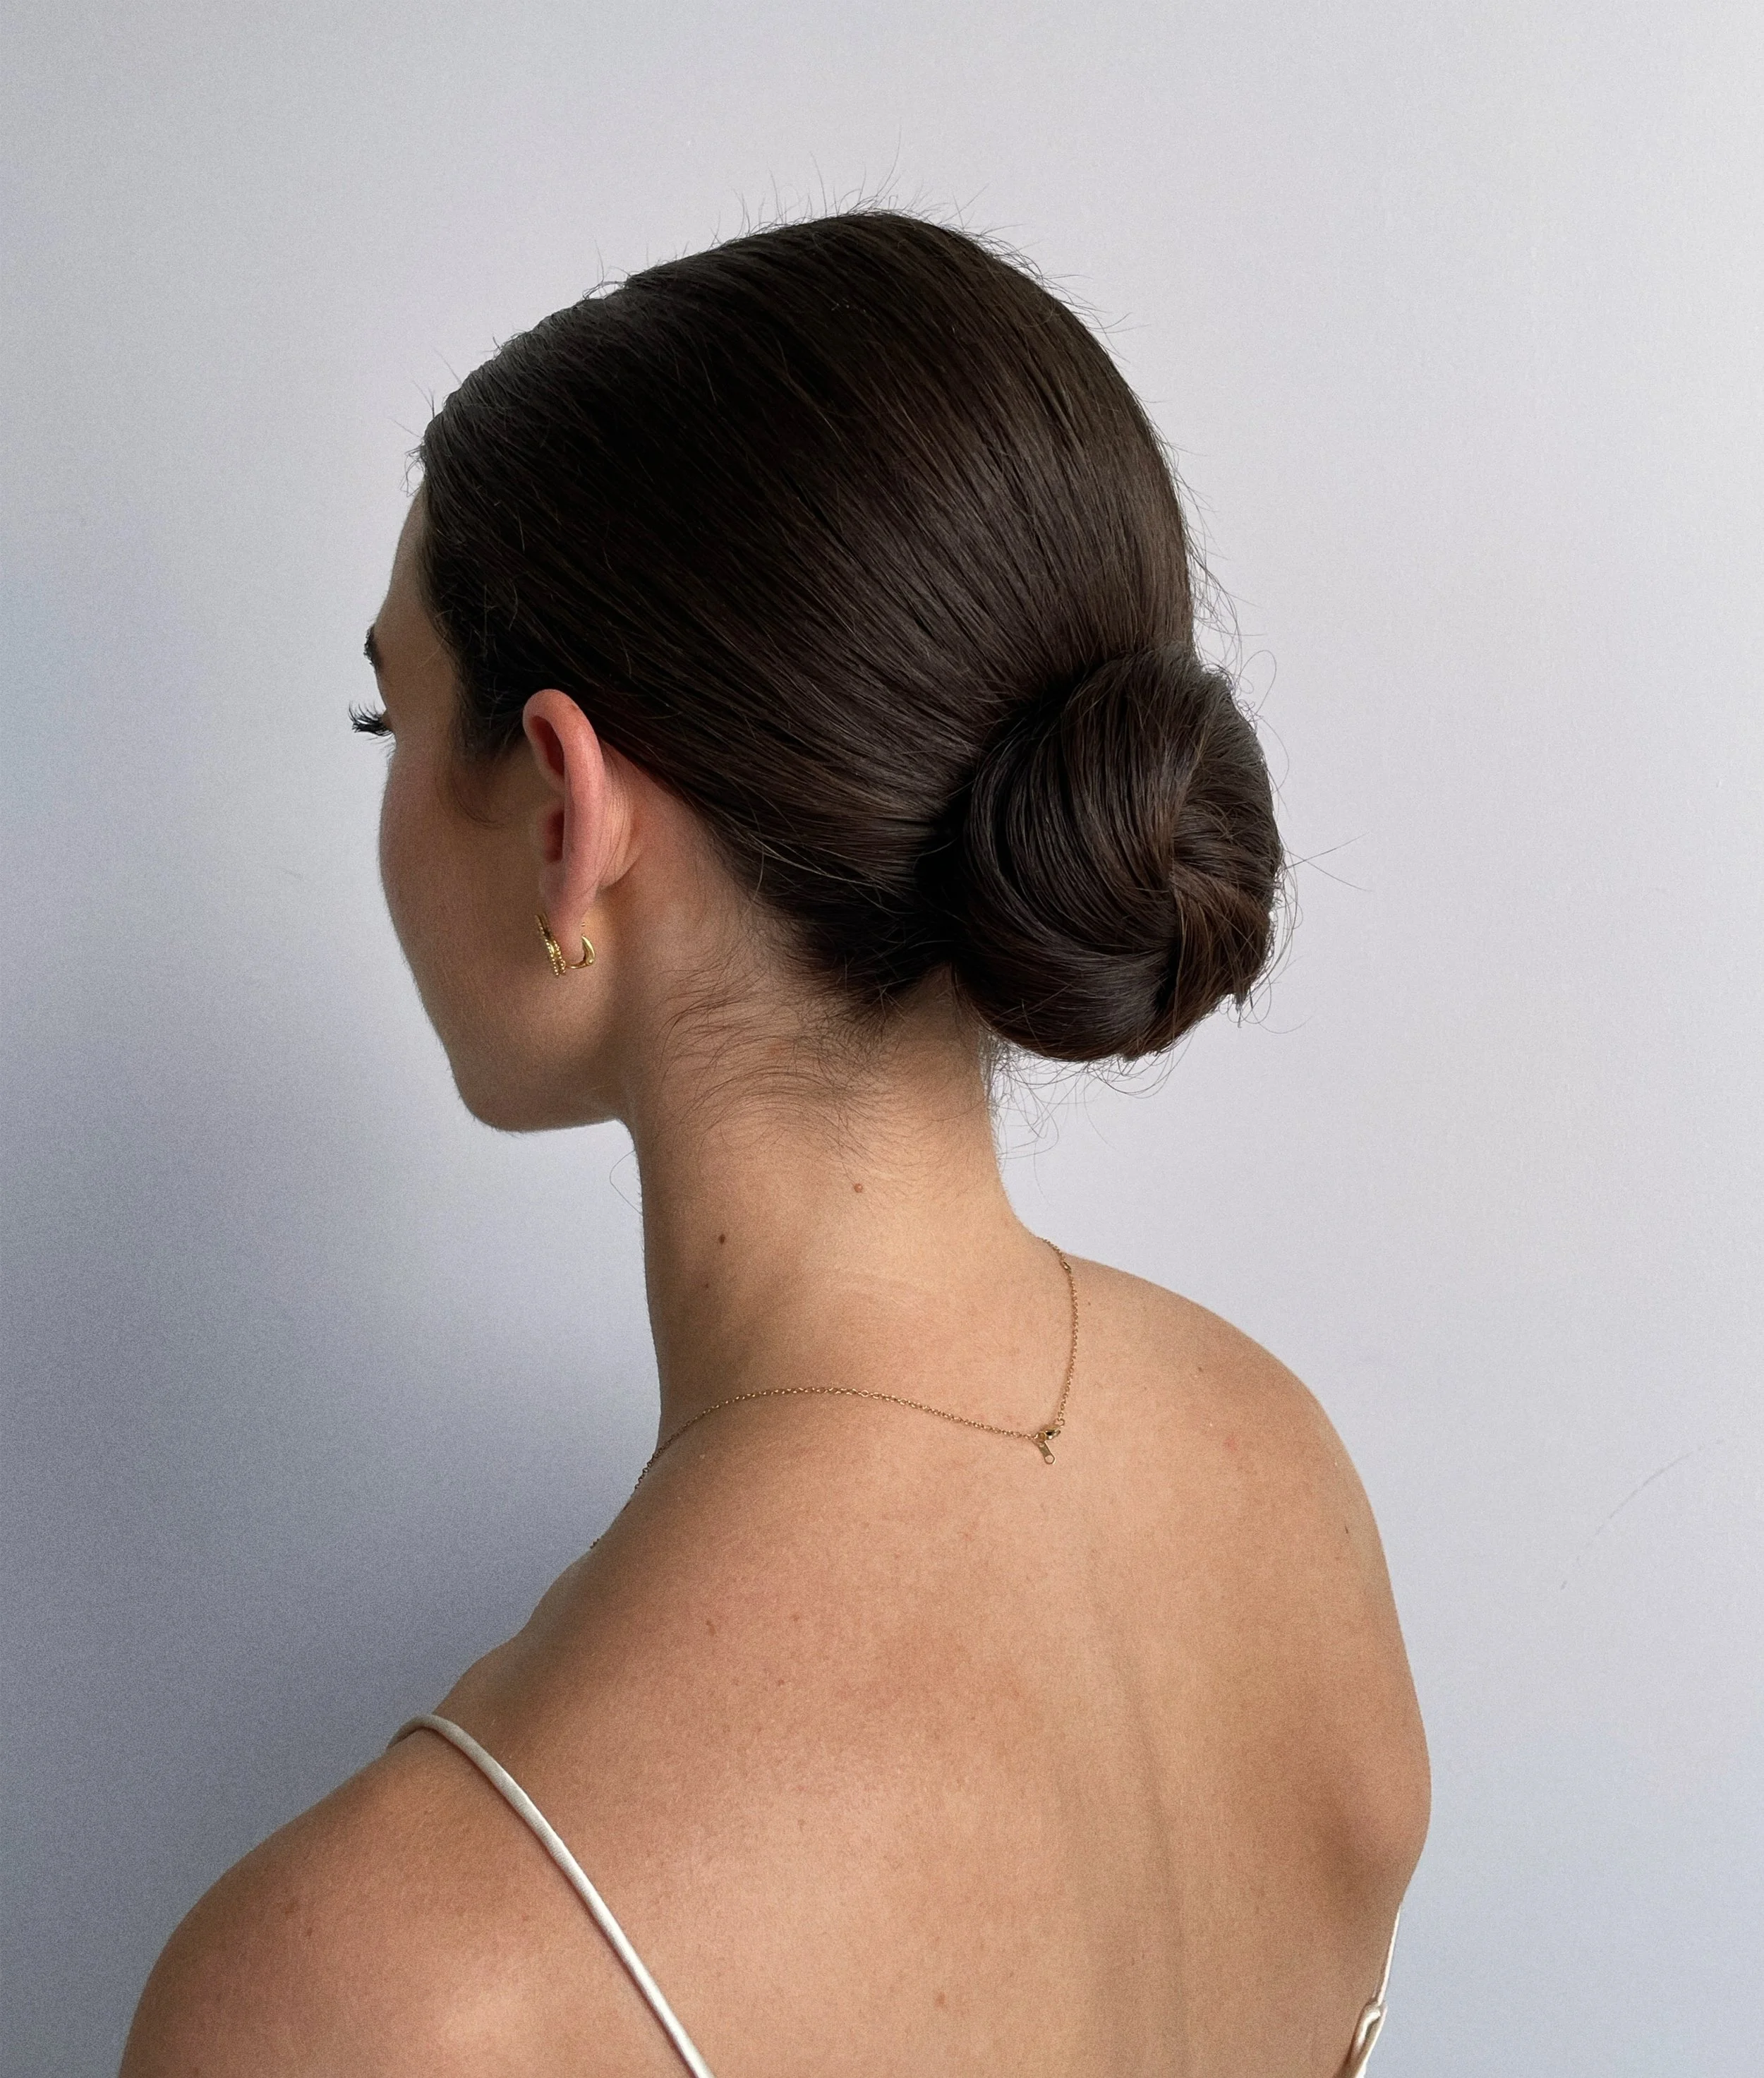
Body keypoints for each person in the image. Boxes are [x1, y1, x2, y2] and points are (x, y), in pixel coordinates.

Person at [121, 207, 1428, 2077]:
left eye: (386, 712)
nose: (387, 793)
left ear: (569, 813)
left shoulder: (394, 1987)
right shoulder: (1275, 1469)